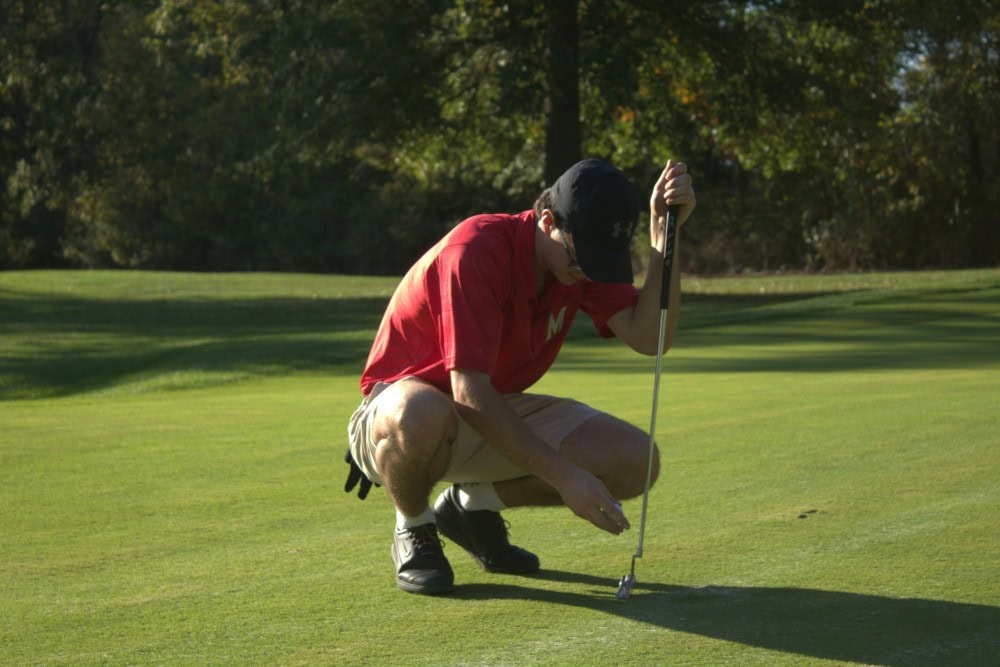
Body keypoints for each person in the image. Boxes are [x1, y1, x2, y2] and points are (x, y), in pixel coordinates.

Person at [345, 158, 696, 594]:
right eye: (580, 258)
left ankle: (470, 507)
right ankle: (414, 525)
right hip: (401, 413)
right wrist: (565, 477)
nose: (587, 271)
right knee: (421, 412)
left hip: (485, 409)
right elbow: (467, 392)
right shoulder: (476, 250)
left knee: (636, 462)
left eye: (598, 262)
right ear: (547, 221)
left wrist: (666, 238)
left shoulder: (577, 262)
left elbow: (651, 336)